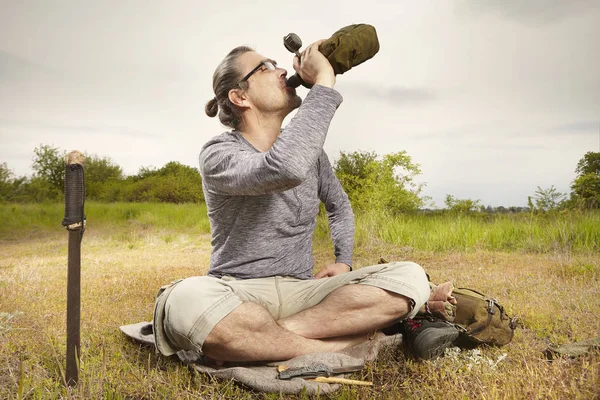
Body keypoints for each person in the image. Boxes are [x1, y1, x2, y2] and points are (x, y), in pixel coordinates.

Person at [153, 41, 456, 363]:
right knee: (184, 298)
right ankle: (353, 343)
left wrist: (344, 260)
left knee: (410, 276)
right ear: (240, 97)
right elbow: (284, 168)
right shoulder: (218, 154)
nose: (282, 69)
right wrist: (323, 83)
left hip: (305, 293)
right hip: (237, 291)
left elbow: (338, 206)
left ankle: (261, 340)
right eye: (266, 67)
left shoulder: (313, 155)